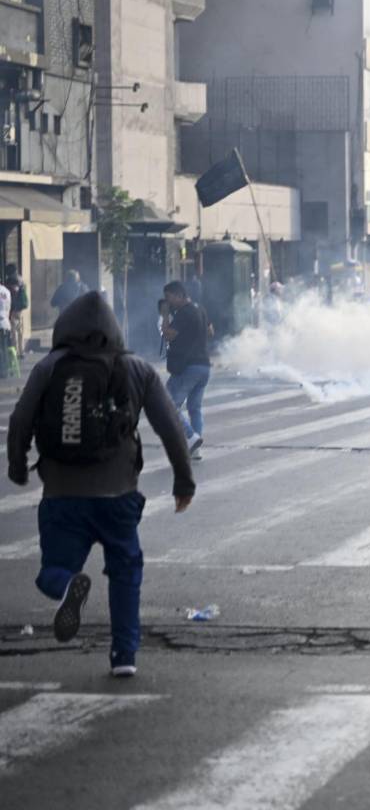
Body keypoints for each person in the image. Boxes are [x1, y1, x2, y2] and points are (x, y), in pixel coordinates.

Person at [7, 292, 195, 678]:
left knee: (52, 569)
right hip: (118, 496)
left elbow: (21, 419)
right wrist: (183, 479)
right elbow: (171, 426)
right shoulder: (136, 368)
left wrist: (17, 466)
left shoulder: (49, 367)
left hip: (61, 495)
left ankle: (67, 584)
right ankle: (124, 655)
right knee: (125, 571)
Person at [161, 281, 211, 458]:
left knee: (167, 403)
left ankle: (190, 437)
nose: (169, 302)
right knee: (194, 408)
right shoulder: (200, 309)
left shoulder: (183, 313)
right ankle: (195, 449)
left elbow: (167, 334)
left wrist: (165, 315)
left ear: (180, 295)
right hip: (204, 366)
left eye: (169, 298)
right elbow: (210, 331)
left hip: (188, 367)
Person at [4, 264, 29, 356]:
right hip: (20, 309)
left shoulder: (11, 280)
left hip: (14, 309)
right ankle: (22, 351)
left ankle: (16, 351)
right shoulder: (20, 279)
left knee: (14, 331)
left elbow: (12, 295)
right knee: (20, 330)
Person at [0, 279, 12, 379]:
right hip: (5, 322)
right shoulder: (7, 291)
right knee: (4, 348)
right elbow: (9, 307)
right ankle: (5, 371)